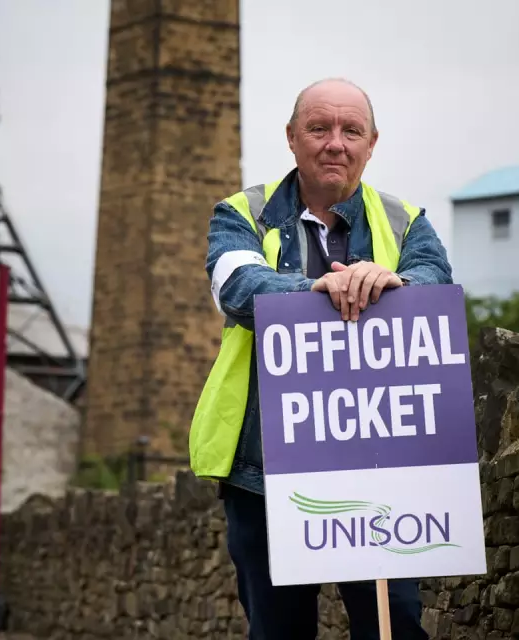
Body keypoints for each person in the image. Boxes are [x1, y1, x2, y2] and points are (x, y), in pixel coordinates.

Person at [190, 78, 452, 639]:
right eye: (319, 128)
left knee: (395, 625)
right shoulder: (242, 213)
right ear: (292, 137)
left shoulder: (406, 219)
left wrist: (394, 282)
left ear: (371, 144)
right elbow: (236, 286)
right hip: (263, 471)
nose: (335, 143)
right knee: (279, 631)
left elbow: (435, 280)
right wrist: (316, 289)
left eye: (351, 131)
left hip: (380, 471)